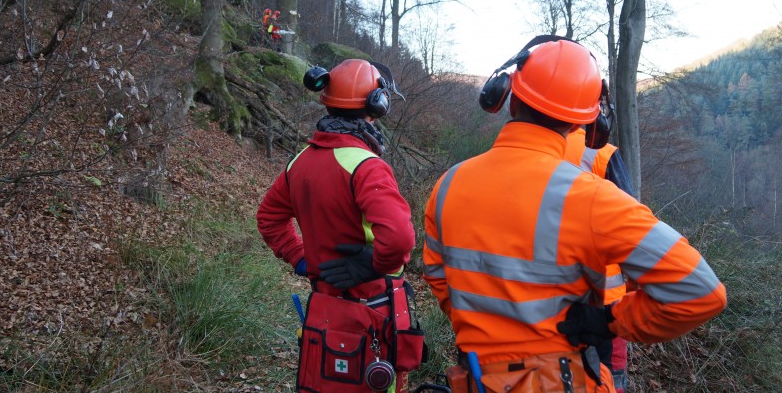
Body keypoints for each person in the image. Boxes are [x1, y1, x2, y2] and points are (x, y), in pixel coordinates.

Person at [422, 36, 727, 392]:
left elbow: (438, 278)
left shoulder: (448, 185)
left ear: (508, 97)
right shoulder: (593, 199)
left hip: (475, 376)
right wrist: (609, 321)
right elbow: (702, 292)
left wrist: (489, 329)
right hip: (559, 380)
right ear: (585, 124)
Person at [256, 59, 422, 392]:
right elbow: (400, 237)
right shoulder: (367, 166)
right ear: (376, 106)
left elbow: (269, 217)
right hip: (373, 311)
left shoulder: (301, 160)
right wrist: (375, 264)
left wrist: (302, 259)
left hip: (324, 308)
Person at [564, 125, 633, 393]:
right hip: (605, 296)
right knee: (608, 378)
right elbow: (630, 226)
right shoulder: (601, 154)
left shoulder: (528, 153)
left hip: (543, 296)